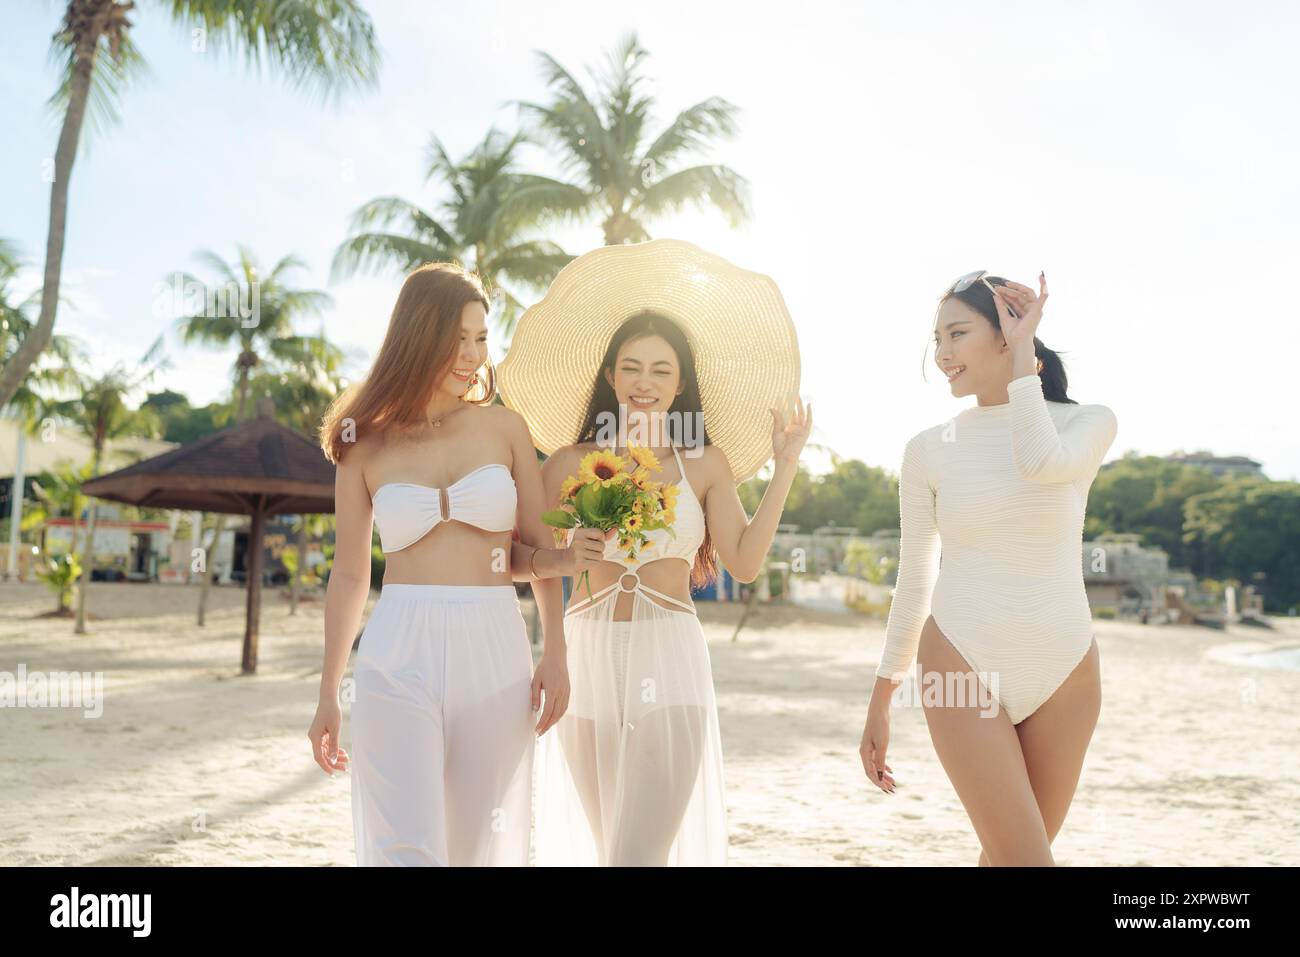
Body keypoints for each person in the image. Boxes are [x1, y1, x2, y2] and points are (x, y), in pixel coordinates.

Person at [497, 239, 810, 865]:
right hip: (583, 661)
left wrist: (785, 467)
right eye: (631, 367)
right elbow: (518, 562)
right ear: (611, 376)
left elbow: (745, 563)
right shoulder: (567, 462)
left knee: (635, 858)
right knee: (609, 845)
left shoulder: (705, 463)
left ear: (680, 383)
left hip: (670, 660)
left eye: (661, 370)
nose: (644, 383)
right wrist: (555, 623)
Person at [305, 262, 597, 866]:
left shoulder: (505, 429)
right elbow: (352, 574)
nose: (471, 354)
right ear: (418, 336)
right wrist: (329, 691)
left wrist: (557, 650)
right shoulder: (365, 443)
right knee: (404, 846)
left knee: (476, 846)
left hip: (493, 645)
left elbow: (532, 552)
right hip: (396, 649)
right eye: (456, 338)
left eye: (481, 337)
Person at [859, 270, 1118, 866]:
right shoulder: (927, 448)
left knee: (1007, 858)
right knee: (1027, 859)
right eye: (937, 340)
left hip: (1066, 670)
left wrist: (1025, 353)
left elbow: (1038, 463)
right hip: (961, 660)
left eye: (957, 334)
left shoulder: (1088, 421)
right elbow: (916, 575)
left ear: (1007, 333)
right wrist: (882, 696)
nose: (943, 355)